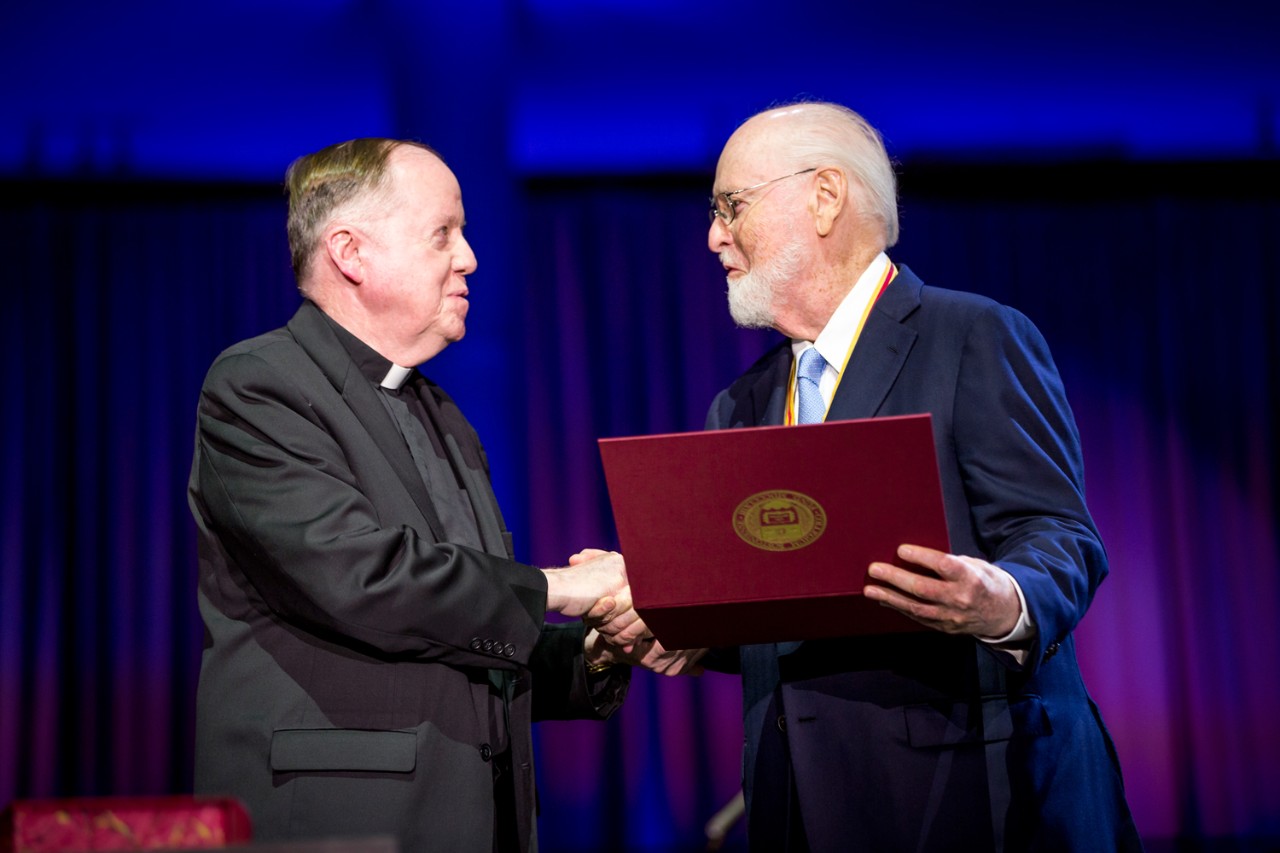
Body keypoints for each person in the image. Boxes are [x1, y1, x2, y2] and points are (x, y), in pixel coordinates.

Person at [599, 102, 1143, 851]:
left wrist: (1002, 600)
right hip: (795, 803)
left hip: (974, 792)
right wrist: (678, 617)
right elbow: (789, 611)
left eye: (732, 205)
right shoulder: (742, 403)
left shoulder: (972, 336)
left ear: (825, 196)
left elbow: (1060, 535)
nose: (714, 235)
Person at [187, 138, 636, 853]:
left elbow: (466, 636)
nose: (469, 257)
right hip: (343, 821)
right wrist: (561, 585)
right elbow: (360, 578)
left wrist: (600, 649)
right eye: (443, 234)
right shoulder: (258, 384)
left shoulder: (444, 414)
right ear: (350, 253)